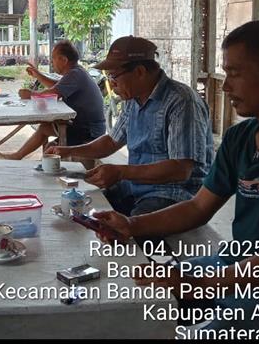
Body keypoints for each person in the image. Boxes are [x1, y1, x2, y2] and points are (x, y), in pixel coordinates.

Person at [92, 21, 259, 336]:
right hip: (233, 264)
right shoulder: (240, 137)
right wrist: (131, 225)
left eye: (235, 73)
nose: (225, 87)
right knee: (138, 286)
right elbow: (199, 207)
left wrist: (199, 284)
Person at [47, 36, 213, 216]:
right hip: (136, 186)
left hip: (173, 194)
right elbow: (111, 142)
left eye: (114, 76)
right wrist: (67, 151)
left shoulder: (181, 101)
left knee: (122, 228)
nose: (112, 84)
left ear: (140, 72)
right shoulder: (133, 99)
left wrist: (121, 172)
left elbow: (181, 169)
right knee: (79, 210)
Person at [4, 40, 106, 160]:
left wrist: (30, 94)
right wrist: (37, 74)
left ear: (64, 60)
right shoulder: (77, 72)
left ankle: (21, 157)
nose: (51, 62)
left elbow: (52, 94)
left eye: (53, 58)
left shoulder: (75, 74)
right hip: (87, 127)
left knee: (50, 145)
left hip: (90, 131)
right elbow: (57, 86)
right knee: (45, 129)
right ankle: (18, 156)